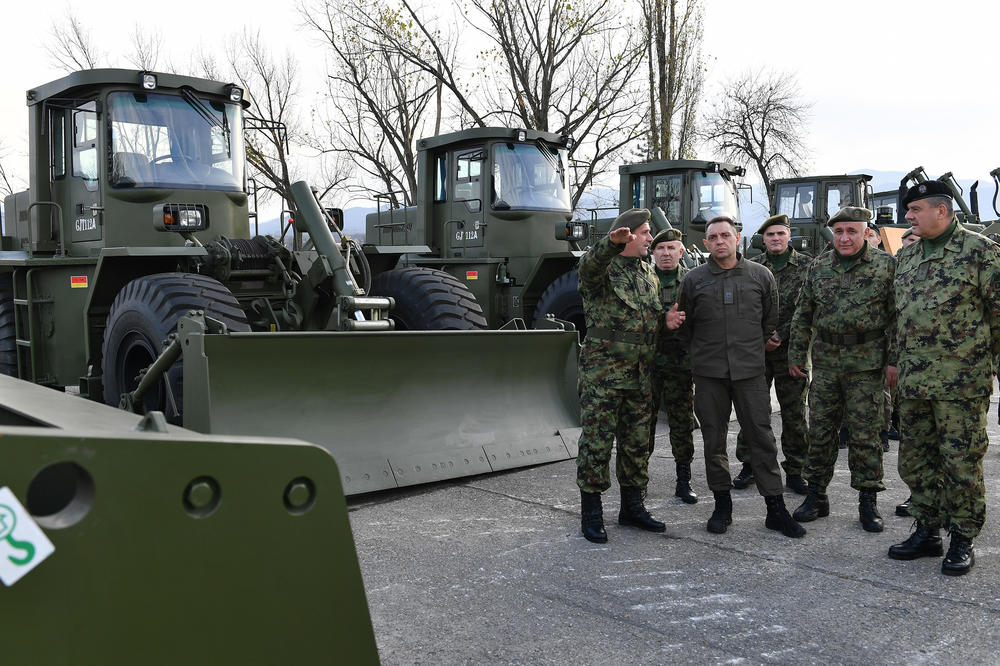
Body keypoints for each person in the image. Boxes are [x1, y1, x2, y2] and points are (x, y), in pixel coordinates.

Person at [666, 215, 804, 538]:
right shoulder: (694, 280)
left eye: (725, 235)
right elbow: (684, 327)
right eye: (713, 238)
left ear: (737, 238)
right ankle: (722, 505)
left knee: (762, 438)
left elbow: (769, 320)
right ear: (705, 244)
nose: (719, 242)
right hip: (710, 375)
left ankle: (775, 509)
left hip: (750, 372)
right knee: (714, 441)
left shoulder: (760, 276)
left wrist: (752, 347)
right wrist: (703, 355)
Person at [888, 180, 1000, 576]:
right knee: (917, 461)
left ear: (942, 210)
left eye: (915, 210)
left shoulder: (981, 253)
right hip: (915, 382)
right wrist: (894, 364)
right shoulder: (909, 256)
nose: (908, 216)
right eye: (909, 210)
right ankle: (928, 530)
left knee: (961, 463)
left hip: (961, 385)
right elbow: (899, 318)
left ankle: (963, 538)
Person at [788, 206, 896, 533]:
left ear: (866, 233)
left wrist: (893, 361)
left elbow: (897, 318)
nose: (845, 238)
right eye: (839, 232)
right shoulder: (818, 267)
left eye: (852, 231)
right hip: (827, 362)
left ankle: (867, 500)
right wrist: (796, 355)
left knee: (866, 433)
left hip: (867, 364)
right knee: (820, 430)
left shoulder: (886, 267)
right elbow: (803, 315)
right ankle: (816, 496)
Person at [576, 208, 665, 543]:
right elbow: (589, 266)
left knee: (637, 445)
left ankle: (632, 507)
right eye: (644, 232)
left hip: (640, 375)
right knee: (597, 444)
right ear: (626, 235)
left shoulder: (648, 273)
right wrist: (609, 245)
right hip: (604, 375)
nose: (649, 238)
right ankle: (592, 513)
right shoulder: (601, 270)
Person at [732, 214, 811, 495]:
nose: (775, 239)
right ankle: (749, 464)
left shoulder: (806, 266)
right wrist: (763, 337)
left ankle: (796, 469)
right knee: (753, 411)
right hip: (758, 352)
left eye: (780, 234)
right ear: (762, 239)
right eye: (770, 235)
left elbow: (807, 309)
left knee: (794, 414)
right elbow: (743, 309)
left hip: (792, 352)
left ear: (789, 236)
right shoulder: (751, 268)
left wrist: (781, 334)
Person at [646, 227, 698, 504]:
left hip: (680, 365)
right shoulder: (643, 280)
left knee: (682, 423)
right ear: (652, 252)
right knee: (644, 425)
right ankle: (639, 481)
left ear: (681, 251)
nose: (666, 254)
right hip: (648, 365)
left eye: (672, 248)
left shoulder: (691, 282)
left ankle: (683, 480)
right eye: (660, 249)